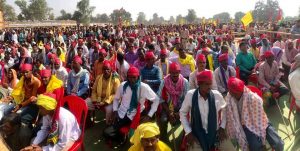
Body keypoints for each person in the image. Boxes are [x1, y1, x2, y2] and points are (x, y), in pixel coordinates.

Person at [180, 70, 234, 151]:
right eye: (206, 84)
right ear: (199, 84)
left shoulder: (216, 95)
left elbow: (225, 111)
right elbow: (182, 113)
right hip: (196, 135)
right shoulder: (190, 95)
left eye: (210, 83)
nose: (209, 86)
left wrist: (222, 127)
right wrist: (188, 132)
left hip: (215, 133)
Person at [225, 77, 284, 151]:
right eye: (231, 92)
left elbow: (260, 117)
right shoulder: (229, 97)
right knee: (256, 147)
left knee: (278, 143)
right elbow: (230, 116)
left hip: (261, 121)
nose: (232, 94)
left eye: (236, 93)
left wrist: (258, 130)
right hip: (245, 125)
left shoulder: (253, 98)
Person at [110, 66, 160, 141]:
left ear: (138, 76)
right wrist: (115, 110)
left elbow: (156, 100)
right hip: (122, 113)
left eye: (134, 77)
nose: (132, 79)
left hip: (138, 114)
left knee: (140, 135)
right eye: (129, 77)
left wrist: (149, 115)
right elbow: (116, 99)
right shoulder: (123, 85)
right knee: (114, 133)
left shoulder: (144, 87)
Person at [158, 62, 189, 147]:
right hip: (167, 107)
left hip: (181, 108)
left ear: (179, 72)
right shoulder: (164, 82)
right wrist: (169, 112)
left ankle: (183, 141)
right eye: (172, 72)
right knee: (163, 120)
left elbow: (187, 100)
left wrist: (179, 113)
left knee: (187, 122)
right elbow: (160, 99)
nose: (175, 74)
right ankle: (163, 140)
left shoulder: (185, 82)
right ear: (169, 72)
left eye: (176, 72)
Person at [87, 60, 120, 125]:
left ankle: (108, 123)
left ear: (111, 70)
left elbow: (116, 94)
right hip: (97, 99)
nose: (106, 71)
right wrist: (94, 101)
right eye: (104, 69)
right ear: (102, 70)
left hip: (109, 101)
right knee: (85, 103)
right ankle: (88, 121)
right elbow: (94, 90)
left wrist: (105, 102)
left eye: (108, 69)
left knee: (109, 110)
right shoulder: (99, 77)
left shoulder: (115, 80)